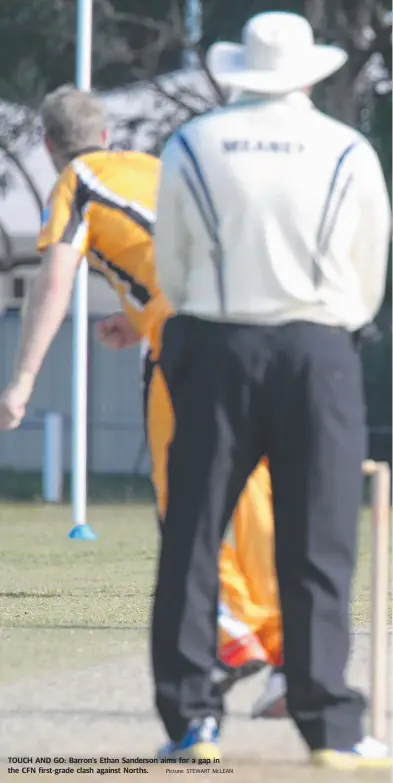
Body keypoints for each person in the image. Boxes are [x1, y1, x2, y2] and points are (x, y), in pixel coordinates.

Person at [151, 10, 391, 769]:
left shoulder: (194, 142)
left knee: (192, 537)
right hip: (318, 349)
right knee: (319, 541)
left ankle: (192, 719)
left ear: (239, 69)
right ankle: (329, 725)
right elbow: (367, 267)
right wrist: (327, 325)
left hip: (218, 343)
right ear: (311, 73)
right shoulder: (345, 148)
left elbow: (173, 264)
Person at [0, 84, 282, 702]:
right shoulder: (154, 167)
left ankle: (233, 632)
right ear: (106, 135)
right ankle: (285, 644)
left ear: (50, 146)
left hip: (187, 339)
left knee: (182, 491)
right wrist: (138, 319)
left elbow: (55, 281)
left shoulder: (75, 180)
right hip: (258, 319)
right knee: (253, 479)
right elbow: (180, 250)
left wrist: (20, 381)